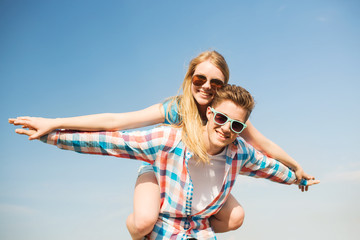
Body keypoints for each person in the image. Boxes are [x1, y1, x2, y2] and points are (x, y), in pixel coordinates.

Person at [9, 51, 313, 239]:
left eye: (216, 83)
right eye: (200, 79)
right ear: (190, 78)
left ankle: (191, 224)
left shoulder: (230, 119)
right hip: (160, 168)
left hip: (204, 178)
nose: (207, 87)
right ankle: (144, 234)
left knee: (235, 217)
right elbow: (116, 124)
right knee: (144, 220)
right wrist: (55, 124)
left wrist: (296, 169)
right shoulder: (175, 112)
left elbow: (263, 150)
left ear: (224, 88)